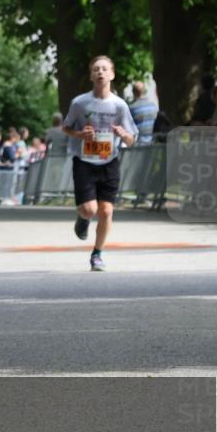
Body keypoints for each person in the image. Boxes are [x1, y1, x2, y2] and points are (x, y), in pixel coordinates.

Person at [63, 55, 138, 272]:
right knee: (89, 210)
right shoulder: (79, 103)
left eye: (105, 69)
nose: (100, 72)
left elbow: (132, 139)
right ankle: (83, 217)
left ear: (112, 74)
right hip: (84, 161)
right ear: (91, 75)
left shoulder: (119, 105)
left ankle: (97, 253)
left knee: (105, 212)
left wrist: (124, 135)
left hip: (109, 161)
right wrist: (80, 134)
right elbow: (66, 128)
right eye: (96, 69)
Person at [128, 81, 158, 146]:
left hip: (138, 145)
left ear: (133, 92)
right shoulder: (153, 106)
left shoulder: (131, 108)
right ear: (144, 91)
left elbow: (129, 128)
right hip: (152, 143)